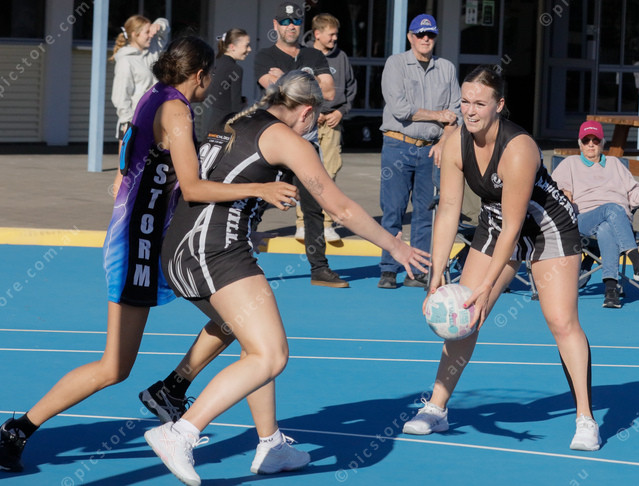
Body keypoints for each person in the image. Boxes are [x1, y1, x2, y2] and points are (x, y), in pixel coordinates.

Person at [0, 36, 299, 473]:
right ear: (200, 75)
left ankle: (173, 388)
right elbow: (193, 187)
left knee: (237, 318)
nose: (212, 83)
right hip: (137, 245)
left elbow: (138, 167)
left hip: (147, 238)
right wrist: (260, 188)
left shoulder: (154, 96)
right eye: (211, 75)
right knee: (114, 366)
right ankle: (18, 430)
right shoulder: (176, 110)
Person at [143, 70, 431, 485]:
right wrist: (396, 247)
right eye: (320, 116)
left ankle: (271, 444)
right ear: (308, 111)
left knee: (255, 346)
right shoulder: (286, 139)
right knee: (271, 354)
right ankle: (180, 433)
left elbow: (217, 180)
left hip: (189, 245)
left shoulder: (240, 119)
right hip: (212, 250)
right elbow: (340, 208)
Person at [401, 66, 601, 452]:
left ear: (499, 105)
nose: (470, 110)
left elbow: (514, 229)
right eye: (465, 102)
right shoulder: (456, 142)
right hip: (496, 220)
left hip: (547, 226)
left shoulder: (519, 148)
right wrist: (436, 275)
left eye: (480, 103)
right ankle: (437, 408)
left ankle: (585, 418)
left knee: (561, 321)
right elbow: (448, 210)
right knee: (465, 318)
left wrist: (487, 287)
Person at [254, 1, 349, 288]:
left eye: (295, 21)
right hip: (273, 145)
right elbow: (272, 91)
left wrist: (283, 79)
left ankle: (319, 268)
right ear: (275, 25)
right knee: (255, 205)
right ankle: (239, 261)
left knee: (313, 208)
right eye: (284, 22)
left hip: (306, 145)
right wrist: (307, 81)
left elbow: (329, 91)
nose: (290, 26)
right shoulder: (264, 56)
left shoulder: (313, 54)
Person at [378, 14, 461, 289]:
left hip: (431, 149)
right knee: (393, 210)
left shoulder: (446, 68)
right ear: (410, 37)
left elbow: (456, 112)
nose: (426, 39)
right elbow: (401, 109)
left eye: (430, 35)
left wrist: (444, 141)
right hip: (398, 145)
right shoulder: (396, 64)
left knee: (425, 213)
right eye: (420, 34)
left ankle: (418, 271)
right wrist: (439, 115)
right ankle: (389, 269)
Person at [551, 121, 639, 308]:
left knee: (606, 227)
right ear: (580, 144)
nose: (591, 144)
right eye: (586, 140)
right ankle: (636, 259)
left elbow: (634, 192)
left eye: (595, 140)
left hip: (616, 222)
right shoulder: (570, 164)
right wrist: (563, 193)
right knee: (612, 209)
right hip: (585, 219)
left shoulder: (615, 164)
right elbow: (553, 190)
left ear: (602, 143)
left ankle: (611, 290)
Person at [295, 13, 357, 243]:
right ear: (317, 34)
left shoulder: (341, 57)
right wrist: (313, 111)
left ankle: (327, 224)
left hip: (333, 123)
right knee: (305, 173)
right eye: (331, 34)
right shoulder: (303, 55)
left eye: (336, 34)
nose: (335, 38)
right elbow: (294, 88)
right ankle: (302, 224)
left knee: (330, 173)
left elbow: (350, 89)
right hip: (307, 122)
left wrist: (341, 112)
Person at [110, 15, 170, 197]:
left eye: (150, 31)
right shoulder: (126, 61)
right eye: (146, 32)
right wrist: (129, 123)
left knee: (147, 171)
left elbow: (165, 28)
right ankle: (120, 210)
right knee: (124, 173)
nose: (150, 35)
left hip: (153, 121)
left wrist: (158, 25)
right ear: (135, 34)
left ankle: (138, 206)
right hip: (132, 124)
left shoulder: (153, 50)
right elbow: (120, 96)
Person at [206, 28, 252, 131]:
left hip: (211, 124)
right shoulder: (235, 69)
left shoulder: (215, 63)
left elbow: (219, 94)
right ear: (232, 47)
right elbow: (235, 107)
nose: (249, 49)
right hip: (225, 126)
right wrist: (243, 104)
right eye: (247, 45)